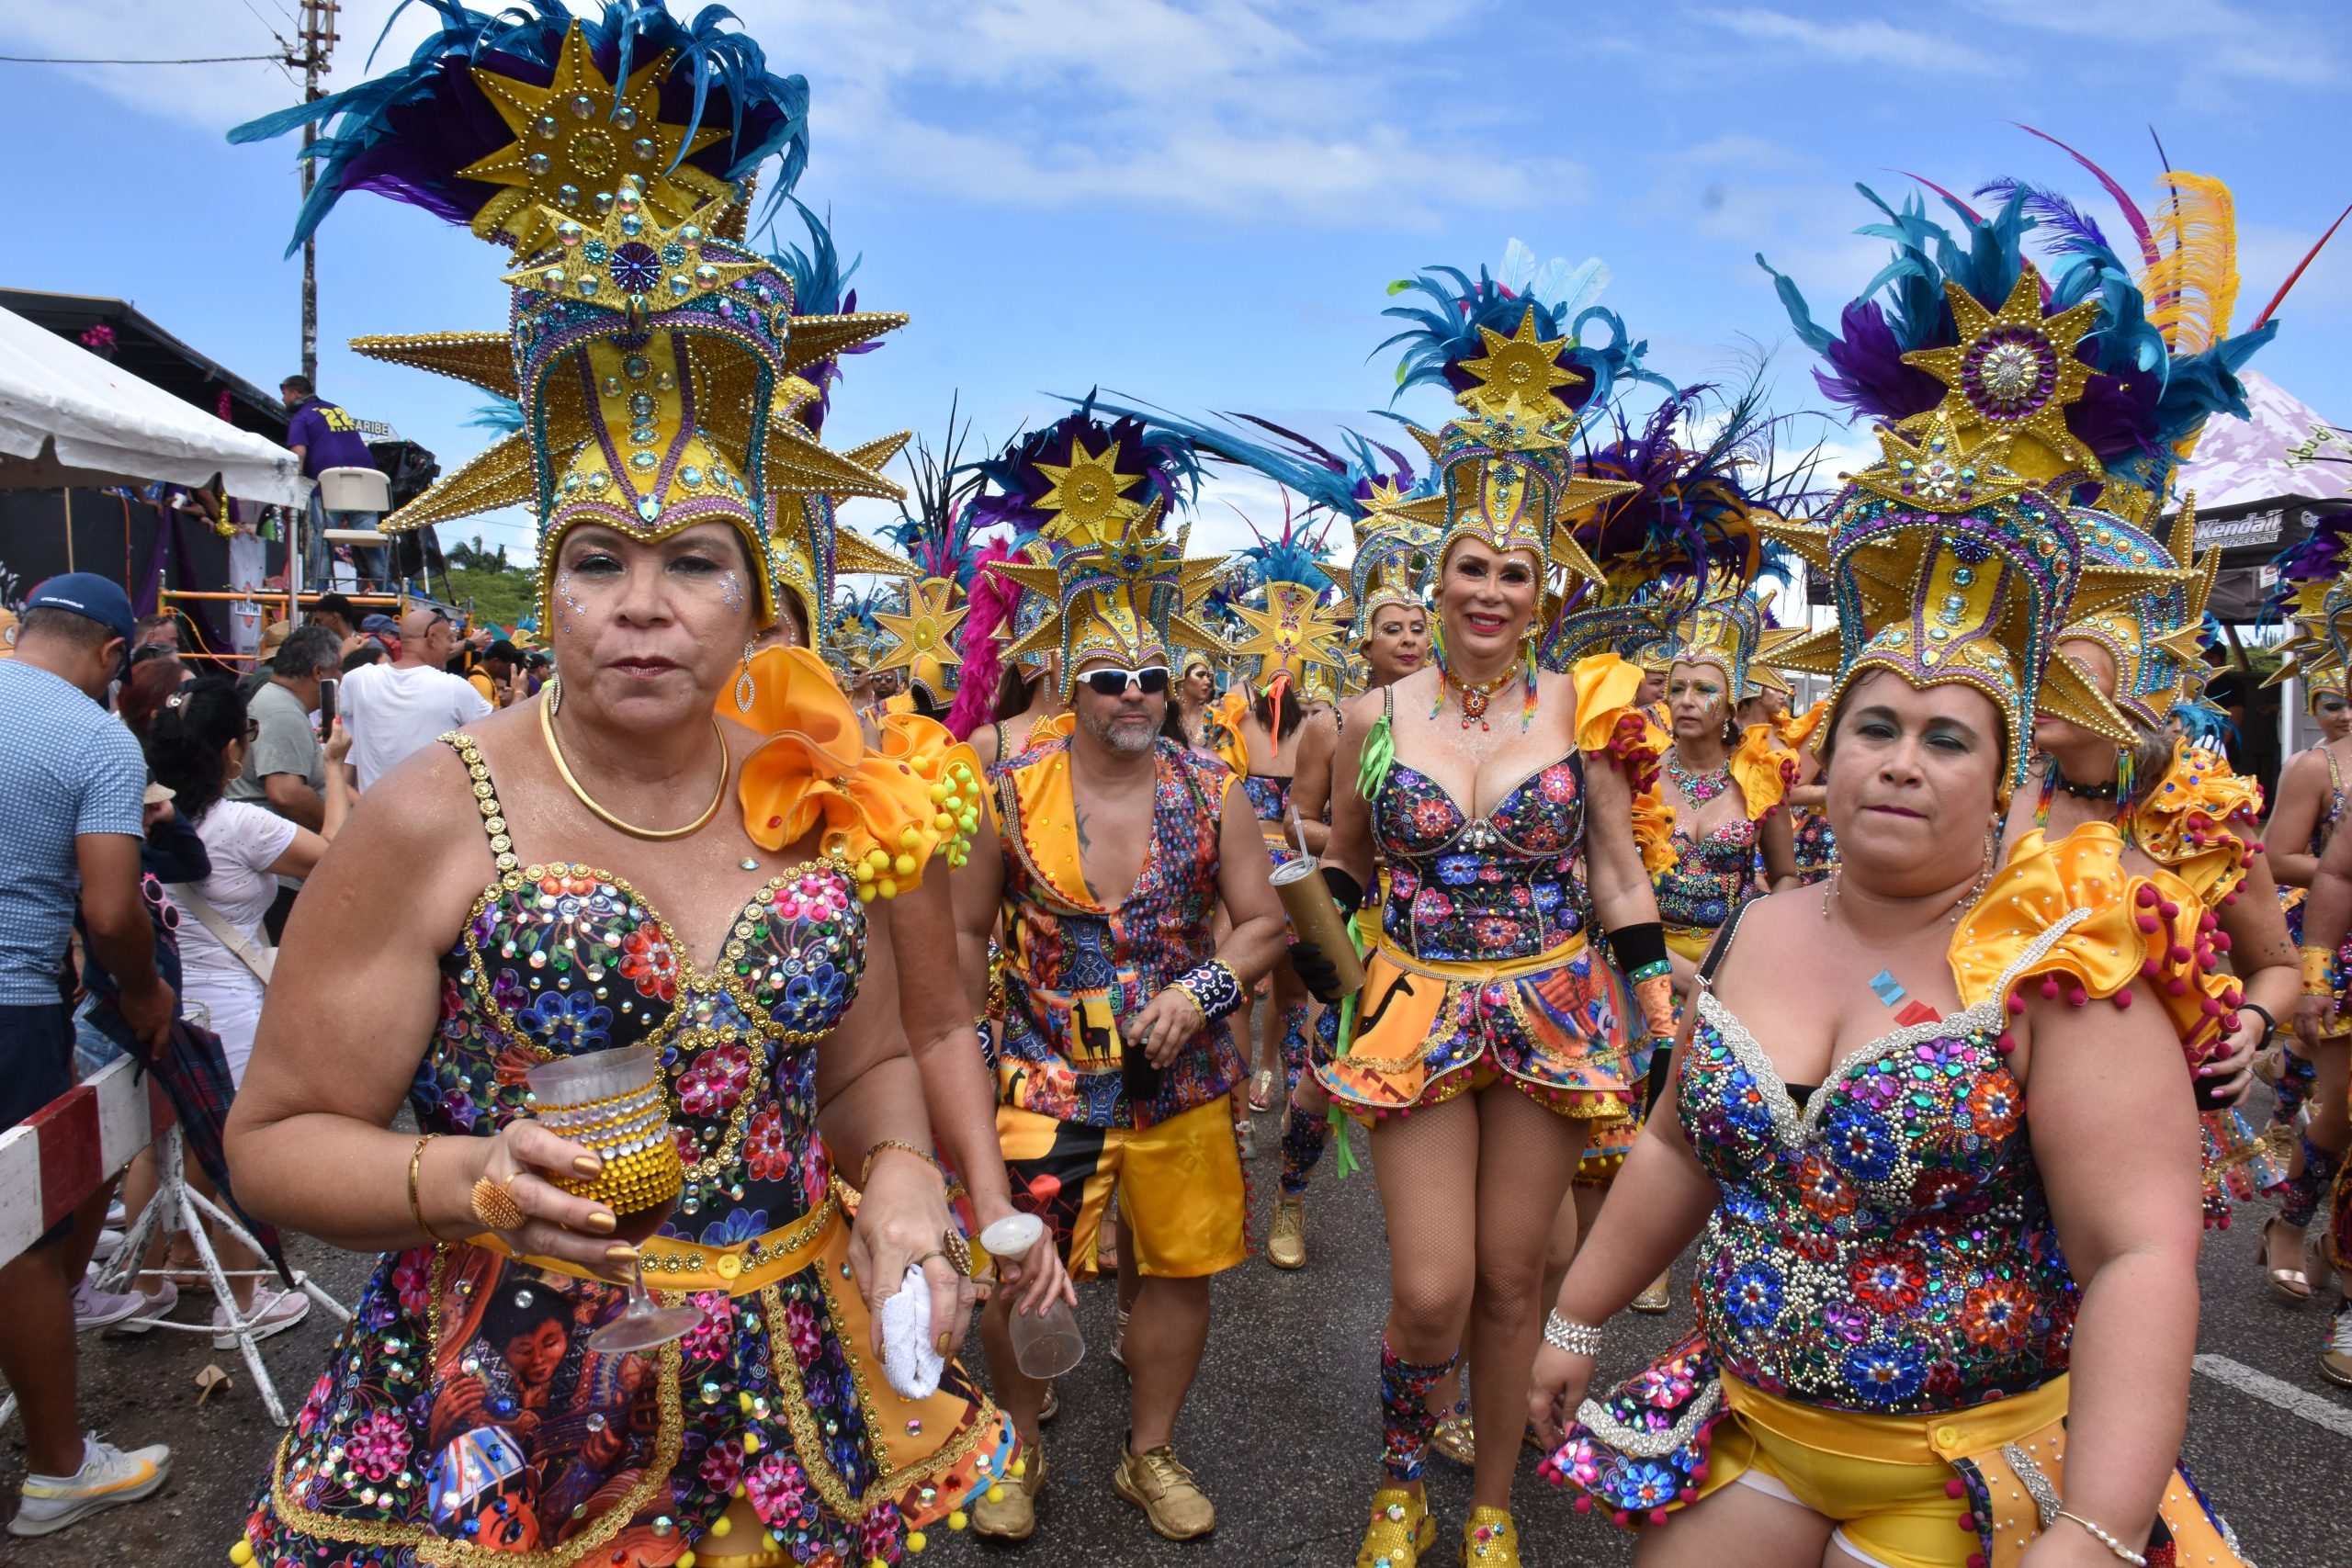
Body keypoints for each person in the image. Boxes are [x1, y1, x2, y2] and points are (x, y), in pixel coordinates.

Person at [225, 14, 1013, 1558]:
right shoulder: (439, 812)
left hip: (781, 1394)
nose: (641, 604)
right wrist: (465, 1176)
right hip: (499, 1406)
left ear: (759, 586)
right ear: (547, 582)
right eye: (598, 560)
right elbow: (278, 1133)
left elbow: (861, 1077)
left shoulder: (822, 793)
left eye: (692, 563)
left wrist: (910, 1186)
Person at [1532, 180, 2269, 1568]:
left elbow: (2140, 1253)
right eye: (1877, 722)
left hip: (1970, 1468)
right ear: (1822, 748)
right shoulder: (1763, 919)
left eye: (1949, 736)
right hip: (1748, 1430)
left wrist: (2103, 1528)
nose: (1904, 758)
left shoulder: (2062, 949)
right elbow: (1685, 1141)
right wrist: (1578, 1315)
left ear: (2003, 777)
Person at [1307, 272, 1678, 1568]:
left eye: (1516, 570)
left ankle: (1492, 1503)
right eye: (1470, 563)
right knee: (1430, 1286)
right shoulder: (1369, 719)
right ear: (1436, 568)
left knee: (1520, 1277)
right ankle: (1401, 1473)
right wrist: (1314, 952)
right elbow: (1347, 867)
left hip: (1553, 1000)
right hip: (1411, 1002)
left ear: (1544, 588)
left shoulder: (1588, 710)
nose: (1490, 588)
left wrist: (1656, 991)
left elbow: (1620, 872)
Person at [953, 427, 1286, 1545]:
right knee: (1019, 1276)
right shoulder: (1008, 789)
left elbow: (1265, 922)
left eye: (1151, 676)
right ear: (1066, 681)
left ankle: (1149, 1453)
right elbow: (960, 946)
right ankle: (1020, 1445)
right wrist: (958, 1071)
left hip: (1181, 1081)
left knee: (1181, 1270)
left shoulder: (1213, 785)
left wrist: (1204, 991)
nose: (1135, 695)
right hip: (1045, 1079)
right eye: (1109, 679)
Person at [0, 573, 174, 1537]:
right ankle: (60, 1470)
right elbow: (112, 912)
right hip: (11, 1000)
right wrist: (146, 994)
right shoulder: (97, 736)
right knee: (17, 1233)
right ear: (114, 658)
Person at [141, 675, 352, 1344]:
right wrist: (335, 774)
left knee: (161, 1142)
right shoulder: (240, 823)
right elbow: (341, 859)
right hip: (227, 1008)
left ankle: (151, 1280)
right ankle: (245, 1300)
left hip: (161, 997)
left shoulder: (138, 814)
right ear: (234, 750)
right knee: (235, 1149)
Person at [2258, 556, 2352, 1315]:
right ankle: (2292, 1222)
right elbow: (2285, 856)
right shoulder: (2315, 765)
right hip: (2326, 929)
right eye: (2328, 698)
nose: (2341, 711)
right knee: (2339, 1106)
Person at [338, 607, 492, 790]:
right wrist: (520, 693)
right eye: (449, 639)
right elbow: (498, 733)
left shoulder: (357, 680)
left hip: (373, 813)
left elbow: (346, 741)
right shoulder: (453, 688)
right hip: (430, 814)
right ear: (432, 637)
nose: (451, 647)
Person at [280, 373, 386, 590]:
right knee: (371, 541)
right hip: (367, 482)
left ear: (294, 393)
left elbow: (298, 454)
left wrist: (291, 490)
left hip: (331, 484)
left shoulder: (302, 417)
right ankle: (387, 589)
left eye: (284, 395)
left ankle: (318, 589)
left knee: (322, 538)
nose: (283, 400)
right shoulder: (336, 409)